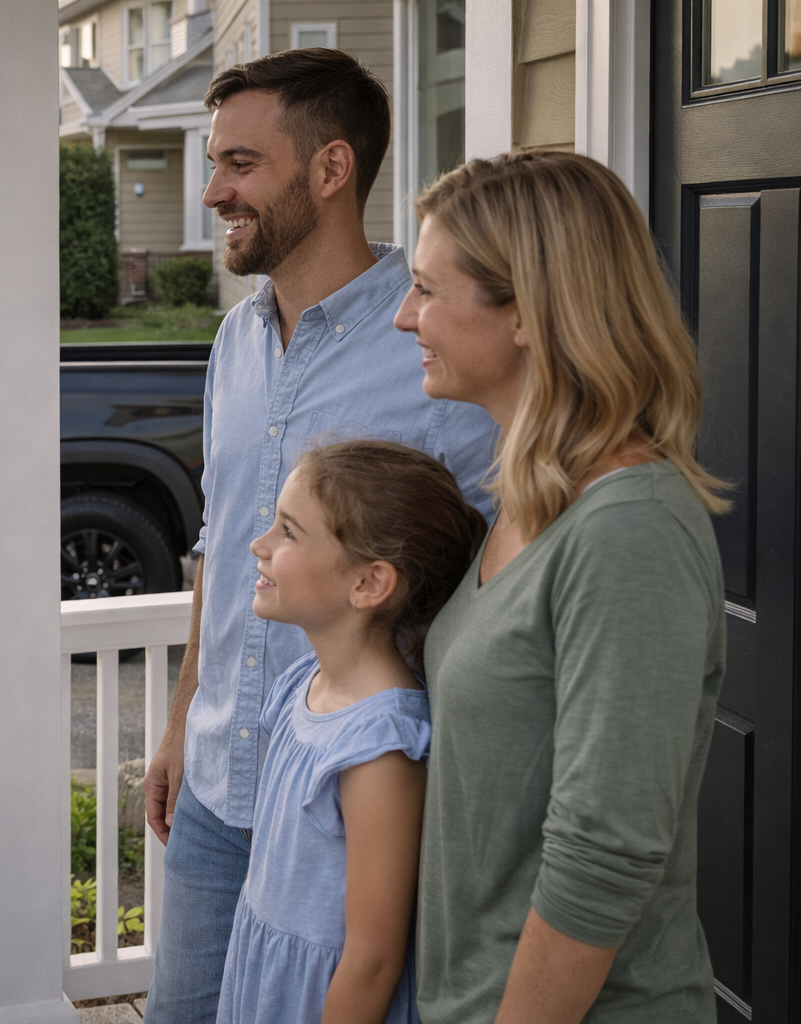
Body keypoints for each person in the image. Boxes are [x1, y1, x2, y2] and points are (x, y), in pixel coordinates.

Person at [141, 49, 497, 1022]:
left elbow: (499, 564)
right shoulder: (234, 341)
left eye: (241, 165)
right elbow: (221, 540)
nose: (214, 190)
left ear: (331, 170)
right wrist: (182, 719)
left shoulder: (428, 340)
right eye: (215, 164)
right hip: (218, 787)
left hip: (348, 800)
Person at [395, 150, 726, 1023]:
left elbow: (603, 855)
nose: (404, 317)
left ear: (529, 313)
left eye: (428, 289)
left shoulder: (631, 530)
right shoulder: (527, 500)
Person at [217, 440, 485, 1024]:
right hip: (268, 976)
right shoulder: (301, 684)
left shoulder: (380, 745)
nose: (259, 546)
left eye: (288, 532)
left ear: (368, 584)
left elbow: (372, 958)